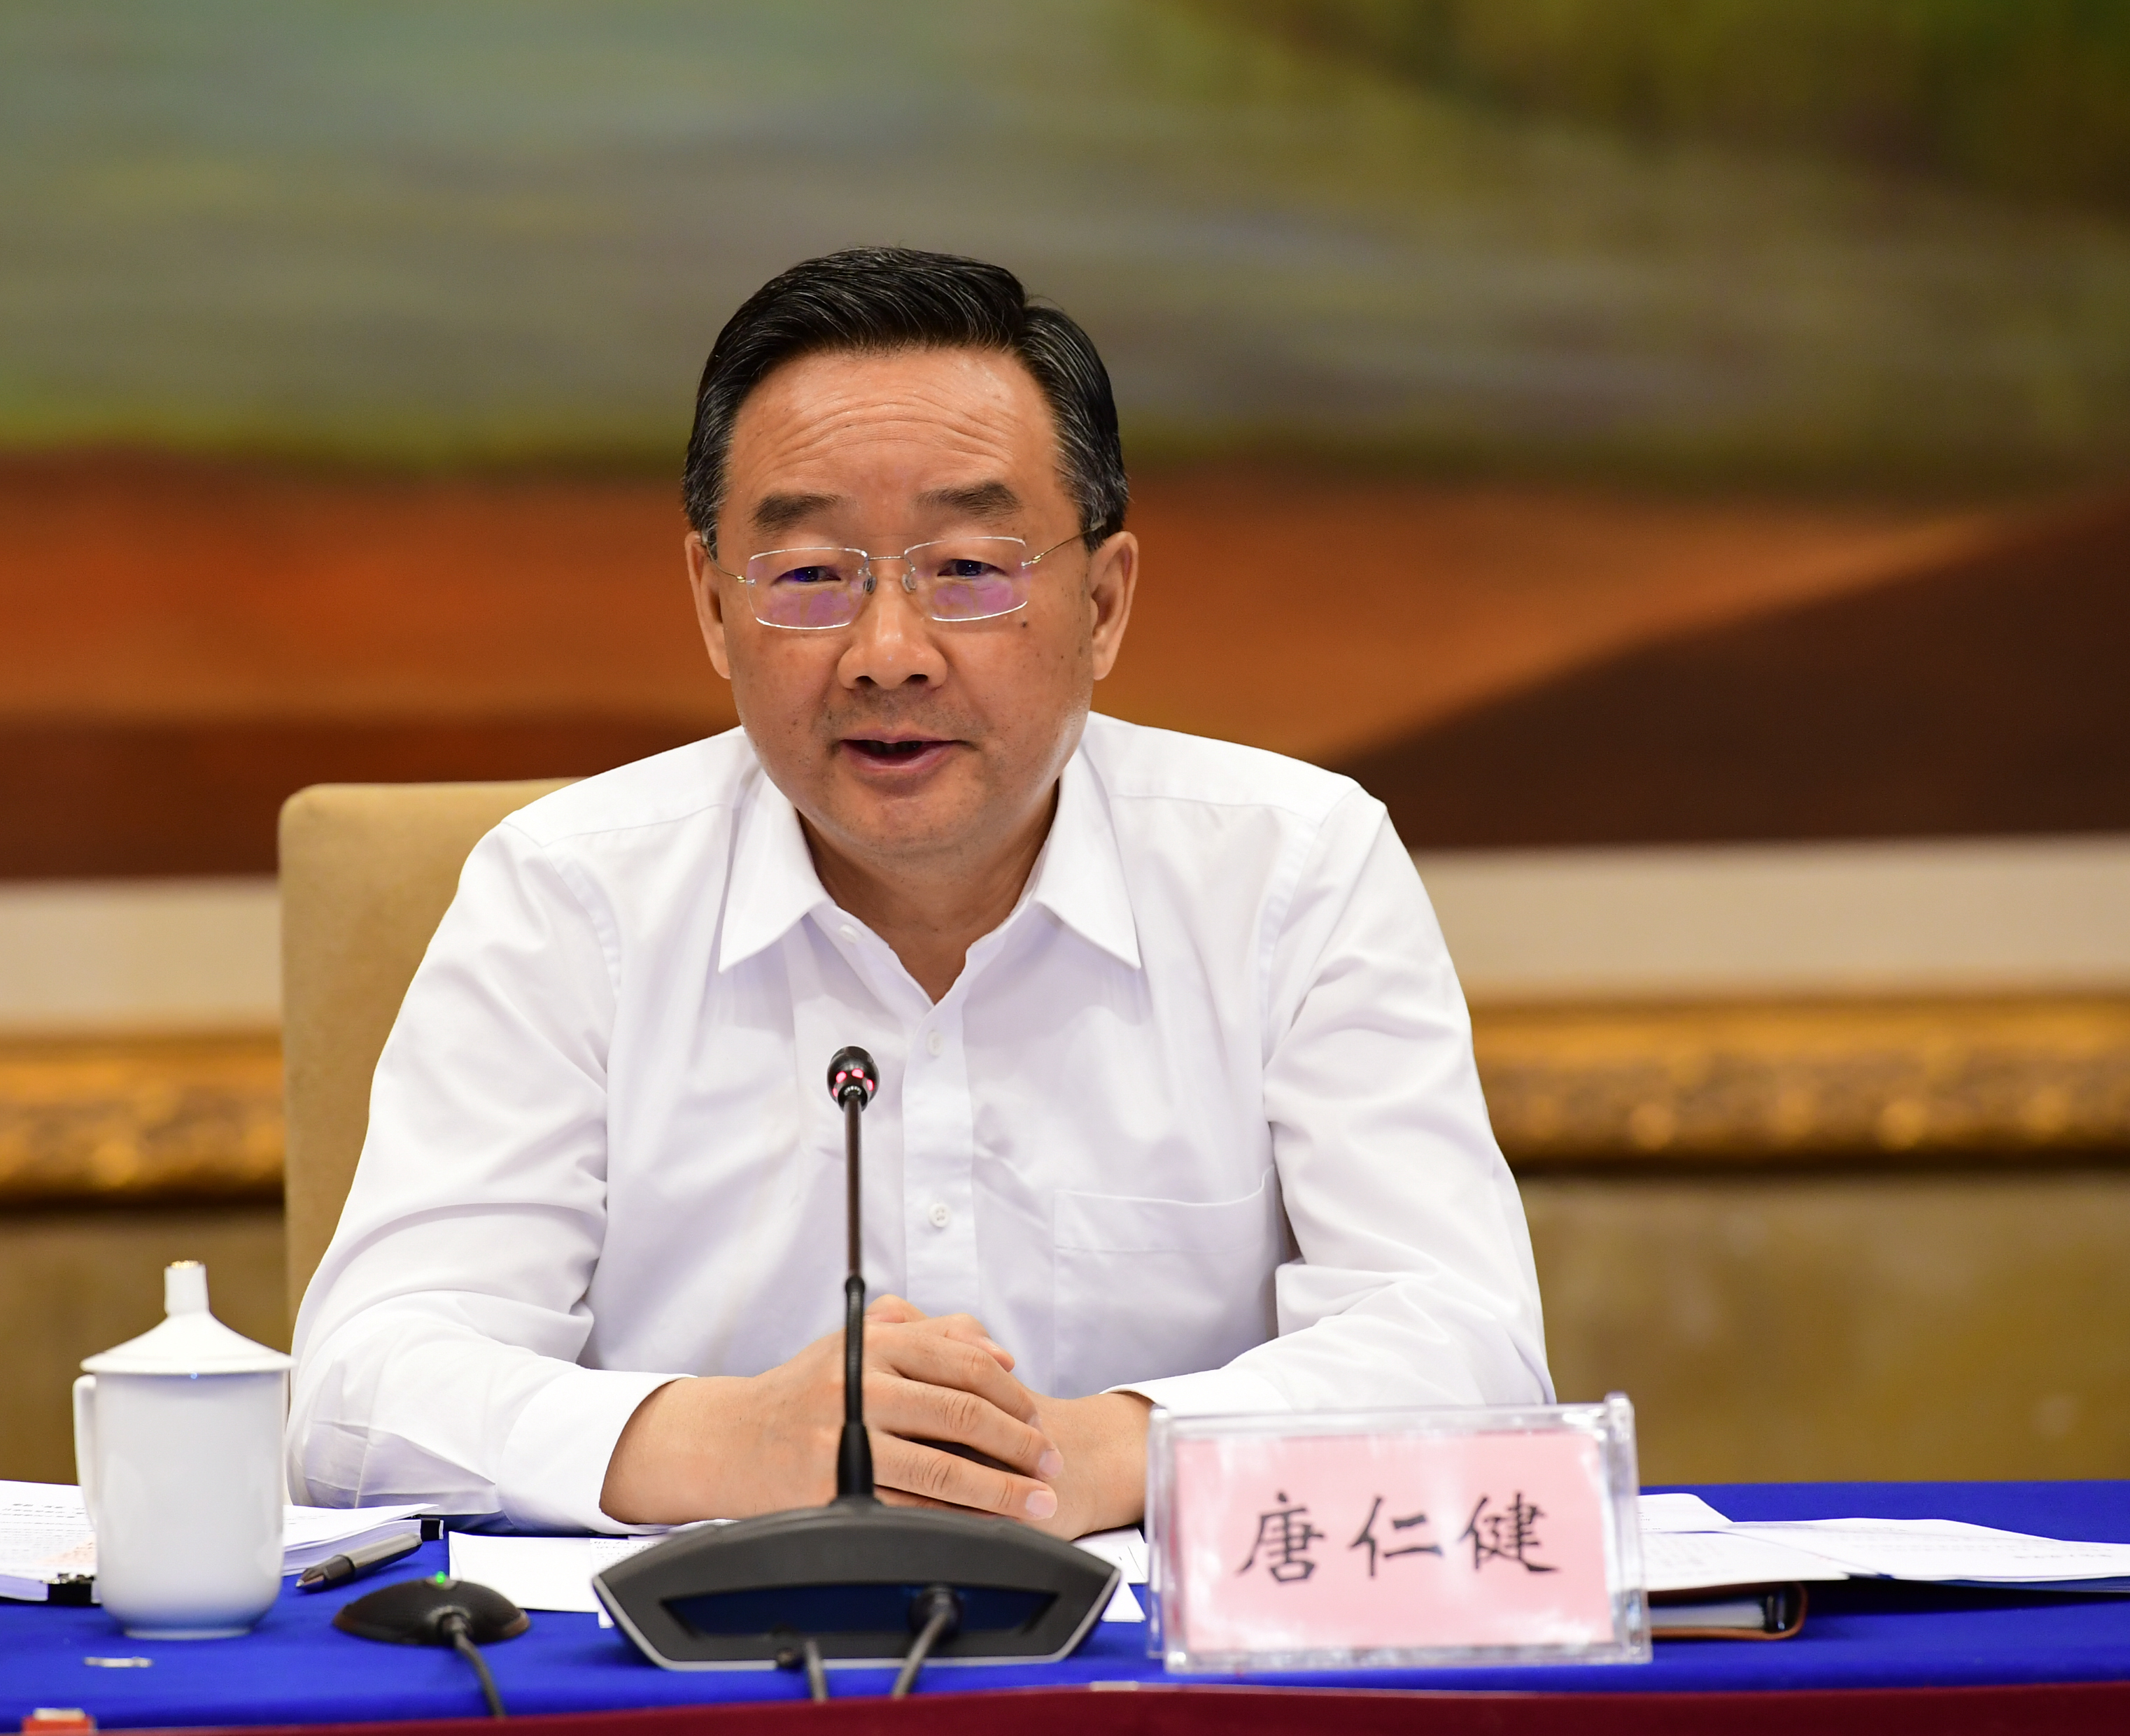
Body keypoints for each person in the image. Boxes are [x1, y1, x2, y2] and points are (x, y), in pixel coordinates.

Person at [286, 248, 1549, 1539]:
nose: (888, 654)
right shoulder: (567, 897)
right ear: (715, 609)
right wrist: (729, 1443)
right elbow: (359, 1390)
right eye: (808, 575)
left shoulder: (1294, 871)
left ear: (1104, 604)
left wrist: (1097, 1453)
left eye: (969, 569)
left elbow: (1471, 1346)